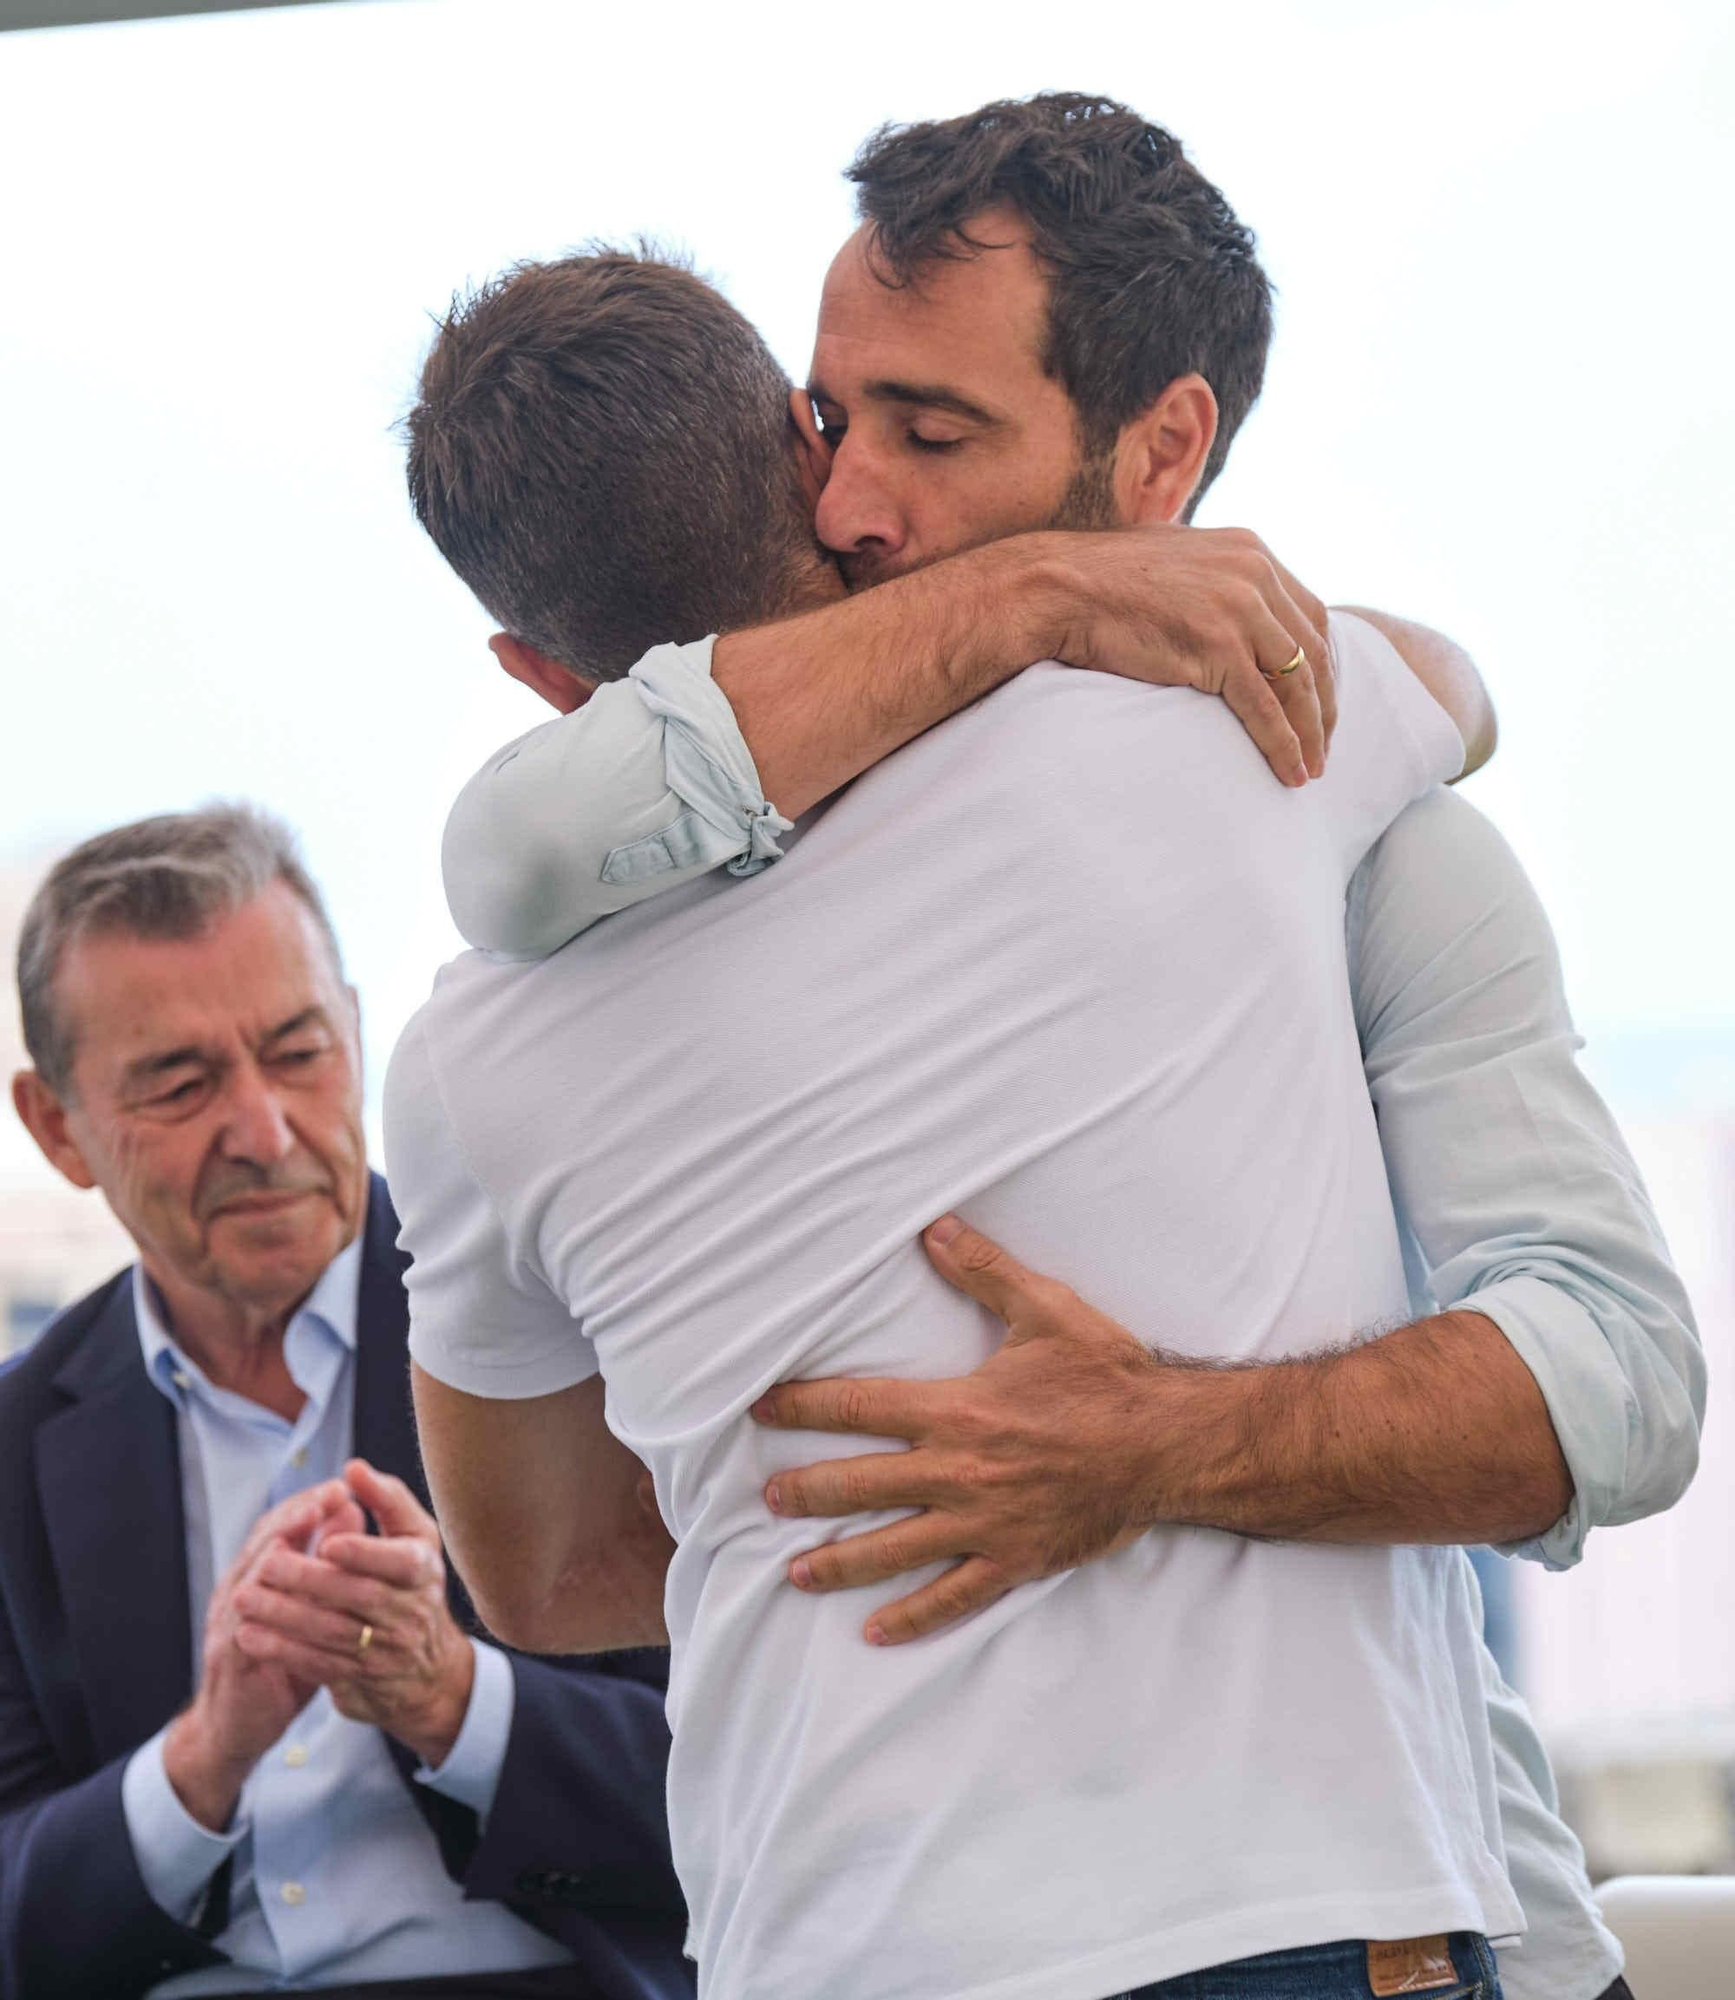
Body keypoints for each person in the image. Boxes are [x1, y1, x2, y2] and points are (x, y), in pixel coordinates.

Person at [412, 97, 1703, 2000]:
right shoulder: (1288, 739)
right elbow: (512, 848)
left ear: (1165, 451)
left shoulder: (1299, 770)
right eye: (839, 426)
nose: (860, 505)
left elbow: (1622, 1384)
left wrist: (1157, 1447)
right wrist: (1026, 588)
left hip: (1388, 1901)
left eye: (935, 439)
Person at [1, 808, 691, 2000]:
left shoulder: (584, 1342)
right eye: (179, 1080)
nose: (264, 1131)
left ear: (359, 1033)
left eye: (298, 1050)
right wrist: (200, 1757)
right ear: (56, 1127)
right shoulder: (14, 1450)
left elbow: (760, 1776)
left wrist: (453, 1697)